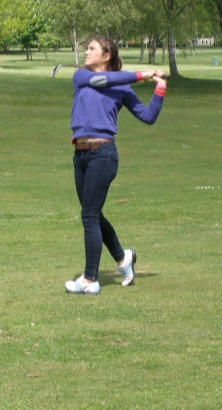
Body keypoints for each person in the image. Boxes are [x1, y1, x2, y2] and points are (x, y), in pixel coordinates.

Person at [65, 36, 167, 295]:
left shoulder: (122, 88)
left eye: (91, 48)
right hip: (81, 156)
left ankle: (90, 279)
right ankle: (124, 259)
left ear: (106, 55)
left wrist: (159, 89)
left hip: (103, 155)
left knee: (89, 215)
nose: (85, 52)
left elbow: (147, 116)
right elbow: (106, 80)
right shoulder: (81, 77)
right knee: (93, 213)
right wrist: (143, 74)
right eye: (86, 48)